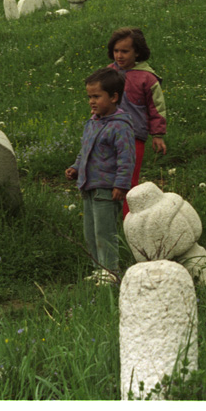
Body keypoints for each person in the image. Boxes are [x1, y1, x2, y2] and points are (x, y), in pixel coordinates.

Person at [64, 68, 135, 283]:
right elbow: (85, 150)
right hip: (89, 185)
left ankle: (110, 271)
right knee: (91, 232)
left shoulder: (120, 126)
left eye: (96, 96)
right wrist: (76, 167)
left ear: (113, 97)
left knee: (105, 231)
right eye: (89, 97)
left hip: (106, 187)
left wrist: (121, 185)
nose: (91, 102)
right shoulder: (93, 122)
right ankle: (98, 268)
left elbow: (126, 159)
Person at [106, 26, 167, 217]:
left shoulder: (147, 78)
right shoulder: (108, 73)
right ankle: (110, 215)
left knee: (128, 179)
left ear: (137, 52)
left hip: (134, 136)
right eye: (116, 51)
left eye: (125, 51)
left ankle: (130, 220)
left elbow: (157, 107)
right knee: (108, 176)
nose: (119, 56)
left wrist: (157, 135)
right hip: (109, 134)